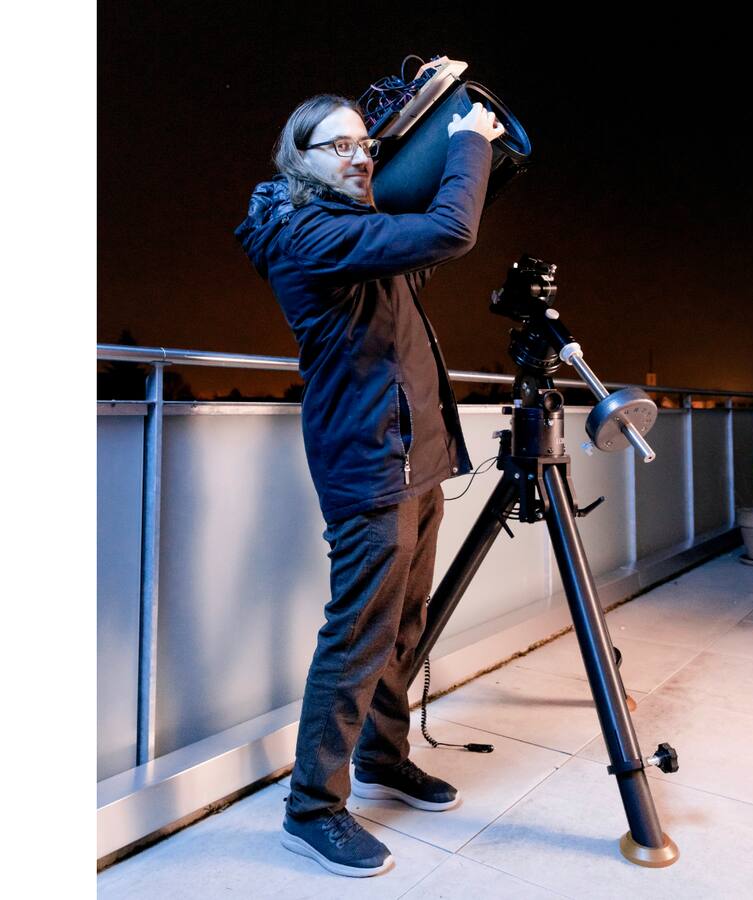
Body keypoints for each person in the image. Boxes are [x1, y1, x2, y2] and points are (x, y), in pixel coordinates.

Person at [235, 93, 504, 877]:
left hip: (414, 458)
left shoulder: (357, 231)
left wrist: (456, 161)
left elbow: (425, 234)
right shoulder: (311, 233)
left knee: (405, 625)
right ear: (299, 158)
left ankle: (385, 757)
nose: (358, 156)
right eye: (336, 146)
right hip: (367, 462)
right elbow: (452, 229)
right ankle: (312, 807)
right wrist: (469, 142)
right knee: (358, 633)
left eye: (366, 144)